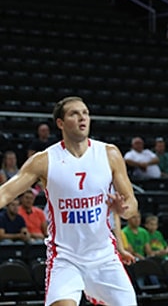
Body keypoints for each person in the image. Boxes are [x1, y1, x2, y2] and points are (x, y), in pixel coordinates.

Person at [0, 95, 140, 305]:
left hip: (104, 257)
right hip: (65, 258)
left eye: (85, 113)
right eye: (74, 113)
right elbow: (6, 194)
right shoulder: (44, 160)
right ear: (60, 123)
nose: (82, 117)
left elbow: (132, 204)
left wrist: (124, 209)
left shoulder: (109, 153)